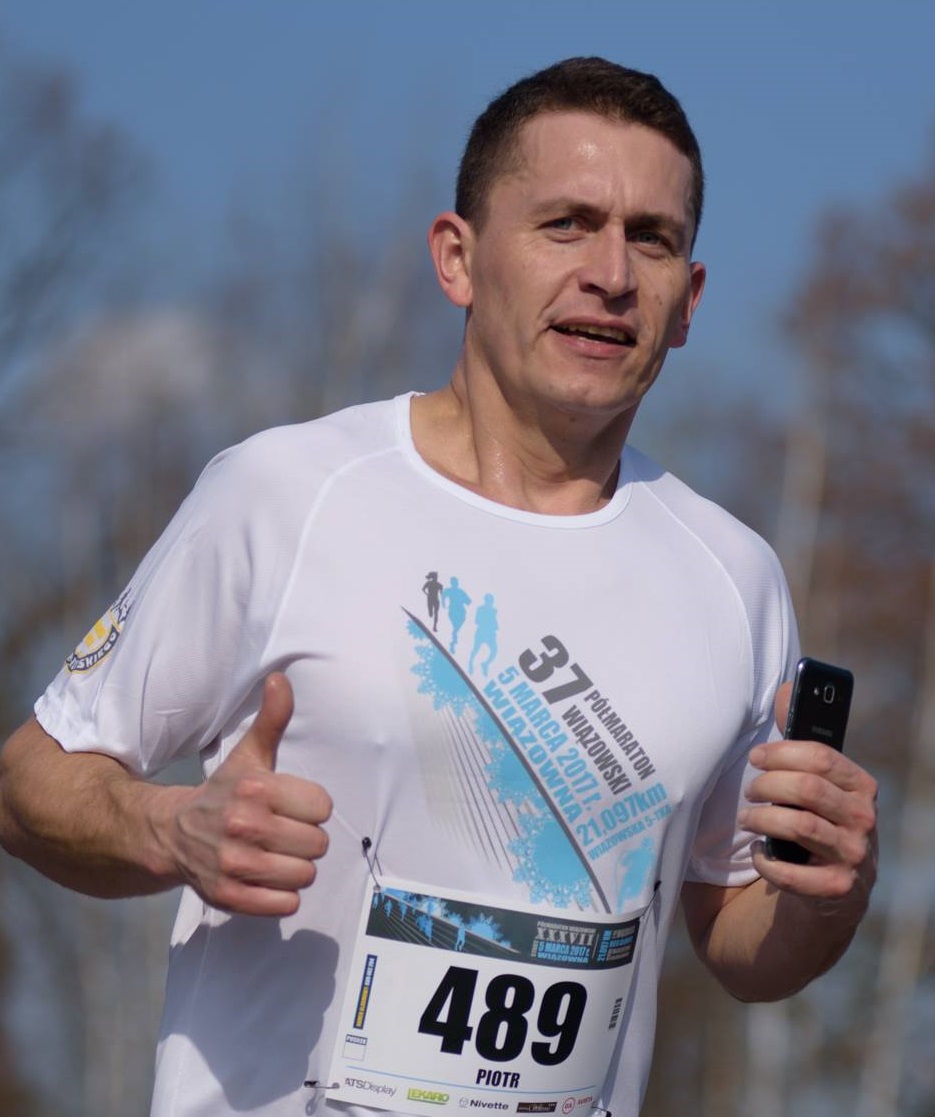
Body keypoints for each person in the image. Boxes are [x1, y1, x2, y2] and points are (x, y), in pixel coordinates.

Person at [0, 56, 877, 1117]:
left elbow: (738, 940)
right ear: (456, 259)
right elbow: (29, 779)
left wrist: (828, 894)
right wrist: (168, 829)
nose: (610, 273)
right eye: (565, 224)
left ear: (686, 302)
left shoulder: (733, 577)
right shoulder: (284, 496)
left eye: (650, 238)